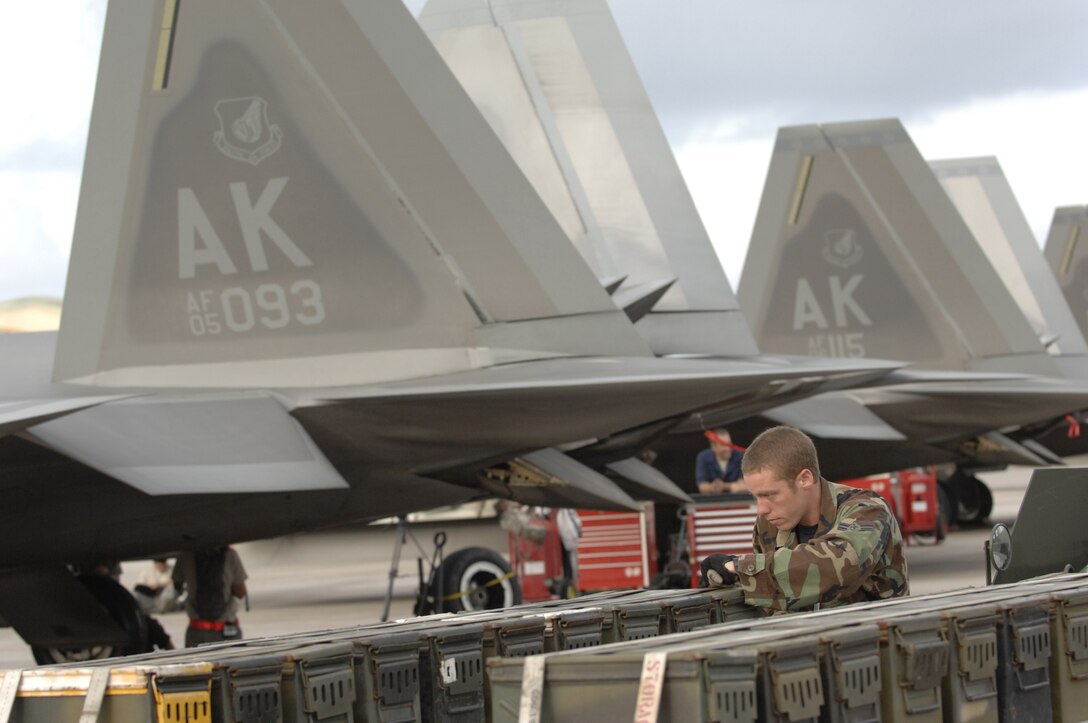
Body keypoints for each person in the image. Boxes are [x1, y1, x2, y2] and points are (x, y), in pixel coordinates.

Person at [700, 426, 908, 613]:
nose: (761, 509)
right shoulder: (769, 523)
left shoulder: (868, 510)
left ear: (805, 479)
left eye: (770, 495)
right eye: (756, 497)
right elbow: (771, 602)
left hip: (873, 637)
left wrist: (740, 568)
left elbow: (836, 567)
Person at [173, 546, 248, 647]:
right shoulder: (230, 554)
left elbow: (177, 584)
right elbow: (240, 592)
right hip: (226, 630)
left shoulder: (185, 554)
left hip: (198, 631)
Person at [695, 428, 747, 494]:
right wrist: (712, 487)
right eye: (723, 445)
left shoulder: (741, 456)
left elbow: (744, 486)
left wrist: (723, 486)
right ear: (713, 447)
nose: (728, 448)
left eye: (729, 443)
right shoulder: (703, 457)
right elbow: (702, 487)